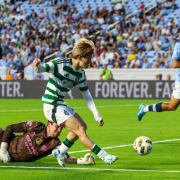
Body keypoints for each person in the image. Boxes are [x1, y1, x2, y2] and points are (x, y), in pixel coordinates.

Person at [32, 38, 118, 166]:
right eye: (89, 57)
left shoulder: (80, 74)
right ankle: (105, 156)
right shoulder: (60, 63)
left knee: (82, 127)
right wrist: (37, 65)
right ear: (79, 56)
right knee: (80, 130)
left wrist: (96, 114)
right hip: (51, 105)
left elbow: (87, 95)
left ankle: (59, 152)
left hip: (59, 103)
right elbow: (41, 69)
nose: (91, 61)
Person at [0, 120, 95, 165]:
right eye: (57, 126)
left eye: (61, 128)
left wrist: (82, 161)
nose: (59, 130)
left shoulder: (55, 144)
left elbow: (65, 159)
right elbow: (10, 128)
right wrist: (3, 148)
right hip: (5, 142)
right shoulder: (36, 126)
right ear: (49, 124)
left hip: (12, 157)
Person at [137, 32, 180, 121]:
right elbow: (175, 64)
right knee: (172, 106)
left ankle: (145, 108)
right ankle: (145, 108)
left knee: (172, 106)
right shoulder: (178, 45)